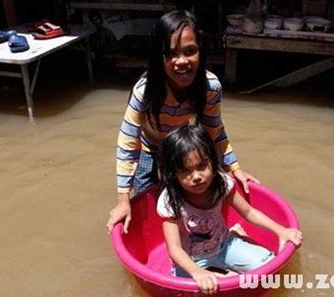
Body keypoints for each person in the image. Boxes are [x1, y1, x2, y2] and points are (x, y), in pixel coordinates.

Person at [107, 10, 258, 234]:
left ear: (201, 52)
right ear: (160, 57)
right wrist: (123, 199)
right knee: (149, 202)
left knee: (190, 193)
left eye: (190, 51)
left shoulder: (210, 87)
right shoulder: (145, 91)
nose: (181, 62)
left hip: (180, 146)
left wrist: (234, 168)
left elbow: (213, 132)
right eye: (171, 53)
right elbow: (128, 143)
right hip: (149, 146)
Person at [157, 125, 303, 294]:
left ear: (212, 160)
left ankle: (236, 237)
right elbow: (174, 249)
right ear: (173, 174)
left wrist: (281, 231)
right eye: (185, 171)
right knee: (185, 291)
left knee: (269, 270)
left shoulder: (221, 183)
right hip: (191, 259)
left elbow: (248, 212)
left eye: (202, 166)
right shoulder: (170, 201)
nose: (196, 176)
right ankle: (228, 265)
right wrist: (198, 272)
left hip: (224, 245)